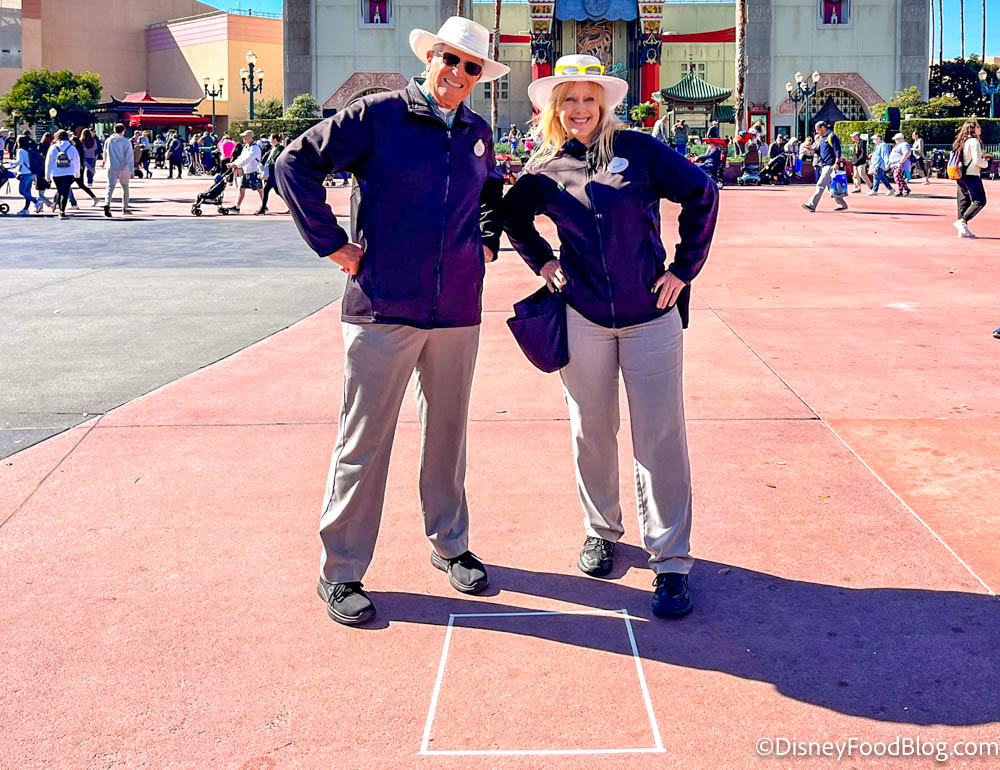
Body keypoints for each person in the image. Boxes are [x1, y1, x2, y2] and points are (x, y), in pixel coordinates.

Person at [275, 16, 508, 626]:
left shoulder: (478, 132)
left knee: (448, 436)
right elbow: (294, 163)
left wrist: (486, 243)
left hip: (456, 309)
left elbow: (490, 192)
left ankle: (450, 543)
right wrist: (332, 244)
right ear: (430, 57)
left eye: (471, 67)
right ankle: (341, 569)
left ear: (479, 77)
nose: (458, 73)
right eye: (450, 59)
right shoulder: (377, 115)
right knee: (364, 441)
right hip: (382, 307)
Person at [502, 54, 718, 618]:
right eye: (569, 100)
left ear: (604, 104)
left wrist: (684, 269)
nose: (580, 109)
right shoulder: (545, 168)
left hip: (651, 314)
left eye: (589, 99)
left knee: (660, 436)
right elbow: (513, 217)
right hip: (584, 316)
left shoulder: (641, 150)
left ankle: (671, 560)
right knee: (591, 431)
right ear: (555, 108)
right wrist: (543, 262)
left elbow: (701, 192)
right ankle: (602, 530)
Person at [952, 118, 988, 238]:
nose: (980, 128)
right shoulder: (974, 141)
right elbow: (977, 161)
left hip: (960, 174)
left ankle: (963, 228)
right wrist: (986, 163)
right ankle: (962, 221)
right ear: (972, 129)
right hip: (971, 174)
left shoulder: (962, 142)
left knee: (963, 201)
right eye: (977, 126)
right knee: (980, 200)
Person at [802, 120, 846, 212]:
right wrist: (813, 150)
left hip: (830, 165)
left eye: (817, 129)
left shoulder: (832, 136)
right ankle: (842, 204)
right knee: (831, 187)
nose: (816, 132)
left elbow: (837, 150)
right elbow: (820, 151)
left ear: (823, 128)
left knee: (820, 184)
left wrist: (836, 163)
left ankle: (812, 205)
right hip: (824, 164)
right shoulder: (822, 138)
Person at [44, 129, 80, 219]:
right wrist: (77, 173)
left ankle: (60, 210)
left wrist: (47, 176)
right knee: (65, 191)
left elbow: (48, 162)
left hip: (56, 173)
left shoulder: (53, 147)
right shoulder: (71, 147)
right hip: (69, 172)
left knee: (60, 191)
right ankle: (62, 211)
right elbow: (77, 161)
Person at [103, 123, 135, 217]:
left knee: (110, 187)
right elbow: (129, 157)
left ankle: (107, 204)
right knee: (125, 187)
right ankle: (125, 208)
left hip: (111, 166)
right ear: (123, 131)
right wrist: (131, 170)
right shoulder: (126, 142)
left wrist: (105, 161)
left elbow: (105, 152)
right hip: (123, 167)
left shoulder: (109, 140)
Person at [229, 129, 264, 214]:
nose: (243, 138)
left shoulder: (255, 148)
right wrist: (233, 163)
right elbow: (241, 157)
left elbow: (248, 159)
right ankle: (237, 207)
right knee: (241, 188)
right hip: (247, 171)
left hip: (254, 171)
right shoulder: (246, 147)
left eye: (245, 136)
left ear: (250, 137)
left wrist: (237, 165)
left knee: (259, 189)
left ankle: (264, 206)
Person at [255, 133, 284, 215]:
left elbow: (274, 160)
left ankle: (263, 209)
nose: (269, 139)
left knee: (266, 190)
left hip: (273, 173)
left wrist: (267, 164)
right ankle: (292, 205)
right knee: (278, 192)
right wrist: (261, 163)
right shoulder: (273, 148)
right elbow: (266, 157)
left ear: (274, 139)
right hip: (271, 173)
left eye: (270, 138)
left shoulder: (280, 148)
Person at [12, 135, 41, 215]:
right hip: (31, 172)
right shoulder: (28, 150)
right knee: (28, 192)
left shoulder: (20, 150)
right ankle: (26, 209)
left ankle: (36, 201)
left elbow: (19, 162)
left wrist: (10, 163)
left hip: (24, 173)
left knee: (22, 191)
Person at [70, 133, 100, 207]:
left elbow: (81, 160)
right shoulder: (80, 149)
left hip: (76, 169)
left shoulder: (75, 150)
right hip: (79, 169)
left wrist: (90, 168)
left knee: (65, 185)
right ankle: (94, 198)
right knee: (80, 185)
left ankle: (59, 202)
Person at [888, 132, 912, 197]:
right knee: (899, 177)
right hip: (896, 164)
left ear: (901, 138)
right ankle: (905, 189)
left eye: (897, 139)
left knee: (897, 177)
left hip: (901, 164)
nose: (895, 141)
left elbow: (907, 153)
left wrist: (900, 163)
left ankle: (900, 190)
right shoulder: (898, 145)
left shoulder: (904, 144)